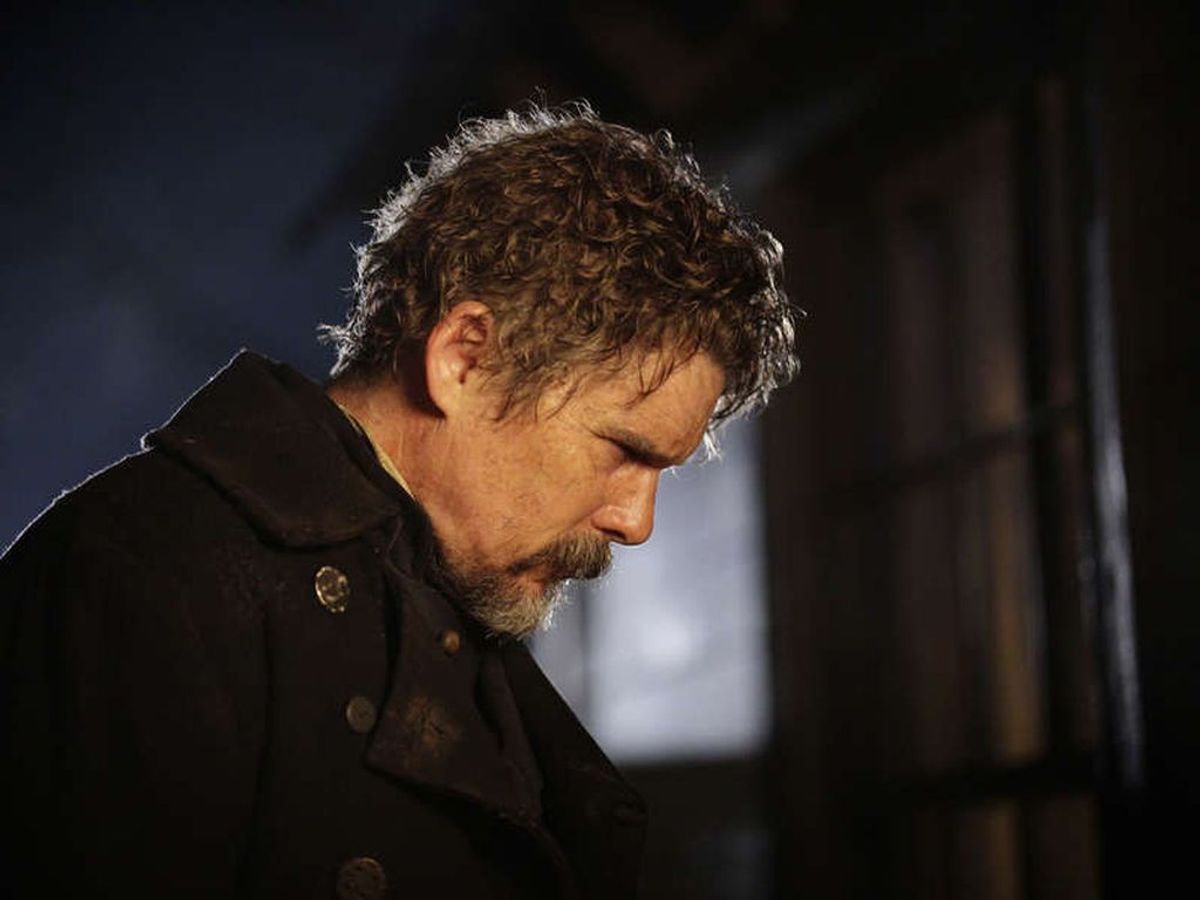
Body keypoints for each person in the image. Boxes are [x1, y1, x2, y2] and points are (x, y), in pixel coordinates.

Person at [0, 103, 797, 899]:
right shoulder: (137, 569)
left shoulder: (442, 598)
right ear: (465, 358)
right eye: (624, 450)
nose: (637, 522)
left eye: (662, 470)